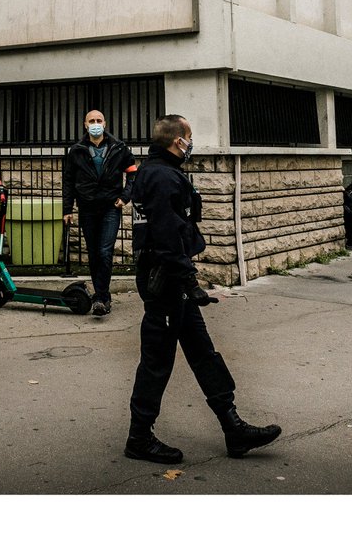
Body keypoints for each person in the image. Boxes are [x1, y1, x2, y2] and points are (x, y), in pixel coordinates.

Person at [124, 114, 280, 464]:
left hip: (171, 280)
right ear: (177, 140)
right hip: (165, 280)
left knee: (203, 352)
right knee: (156, 361)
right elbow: (166, 235)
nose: (191, 142)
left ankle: (232, 426)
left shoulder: (158, 171)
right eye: (189, 136)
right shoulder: (162, 176)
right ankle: (138, 438)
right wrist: (188, 281)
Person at [62, 110, 137, 316]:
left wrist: (125, 197)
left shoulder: (119, 147)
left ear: (105, 123)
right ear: (85, 125)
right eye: (91, 121)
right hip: (87, 208)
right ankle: (102, 295)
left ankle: (101, 297)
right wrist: (67, 209)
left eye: (99, 120)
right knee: (94, 253)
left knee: (105, 251)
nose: (95, 124)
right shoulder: (77, 150)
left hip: (110, 207)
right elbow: (68, 181)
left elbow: (132, 175)